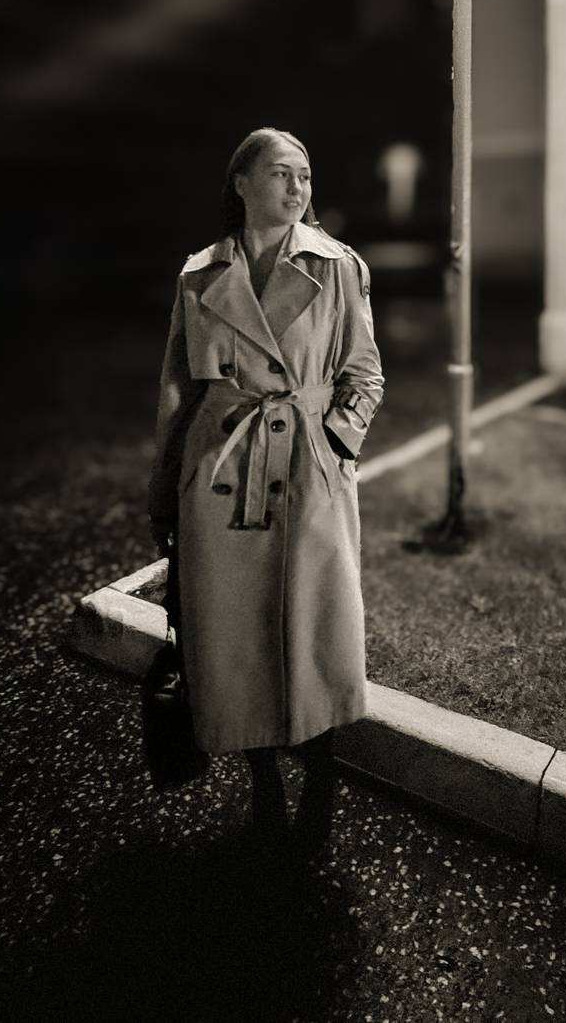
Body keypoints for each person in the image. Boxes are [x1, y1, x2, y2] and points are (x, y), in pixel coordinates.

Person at [147, 127, 384, 866]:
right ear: (242, 183)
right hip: (221, 474)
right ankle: (264, 786)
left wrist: (335, 443)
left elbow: (365, 373)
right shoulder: (199, 274)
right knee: (233, 636)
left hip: (309, 469)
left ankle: (322, 778)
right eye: (281, 174)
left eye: (305, 175)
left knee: (317, 630)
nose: (297, 188)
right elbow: (177, 388)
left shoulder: (337, 265)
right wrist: (165, 488)